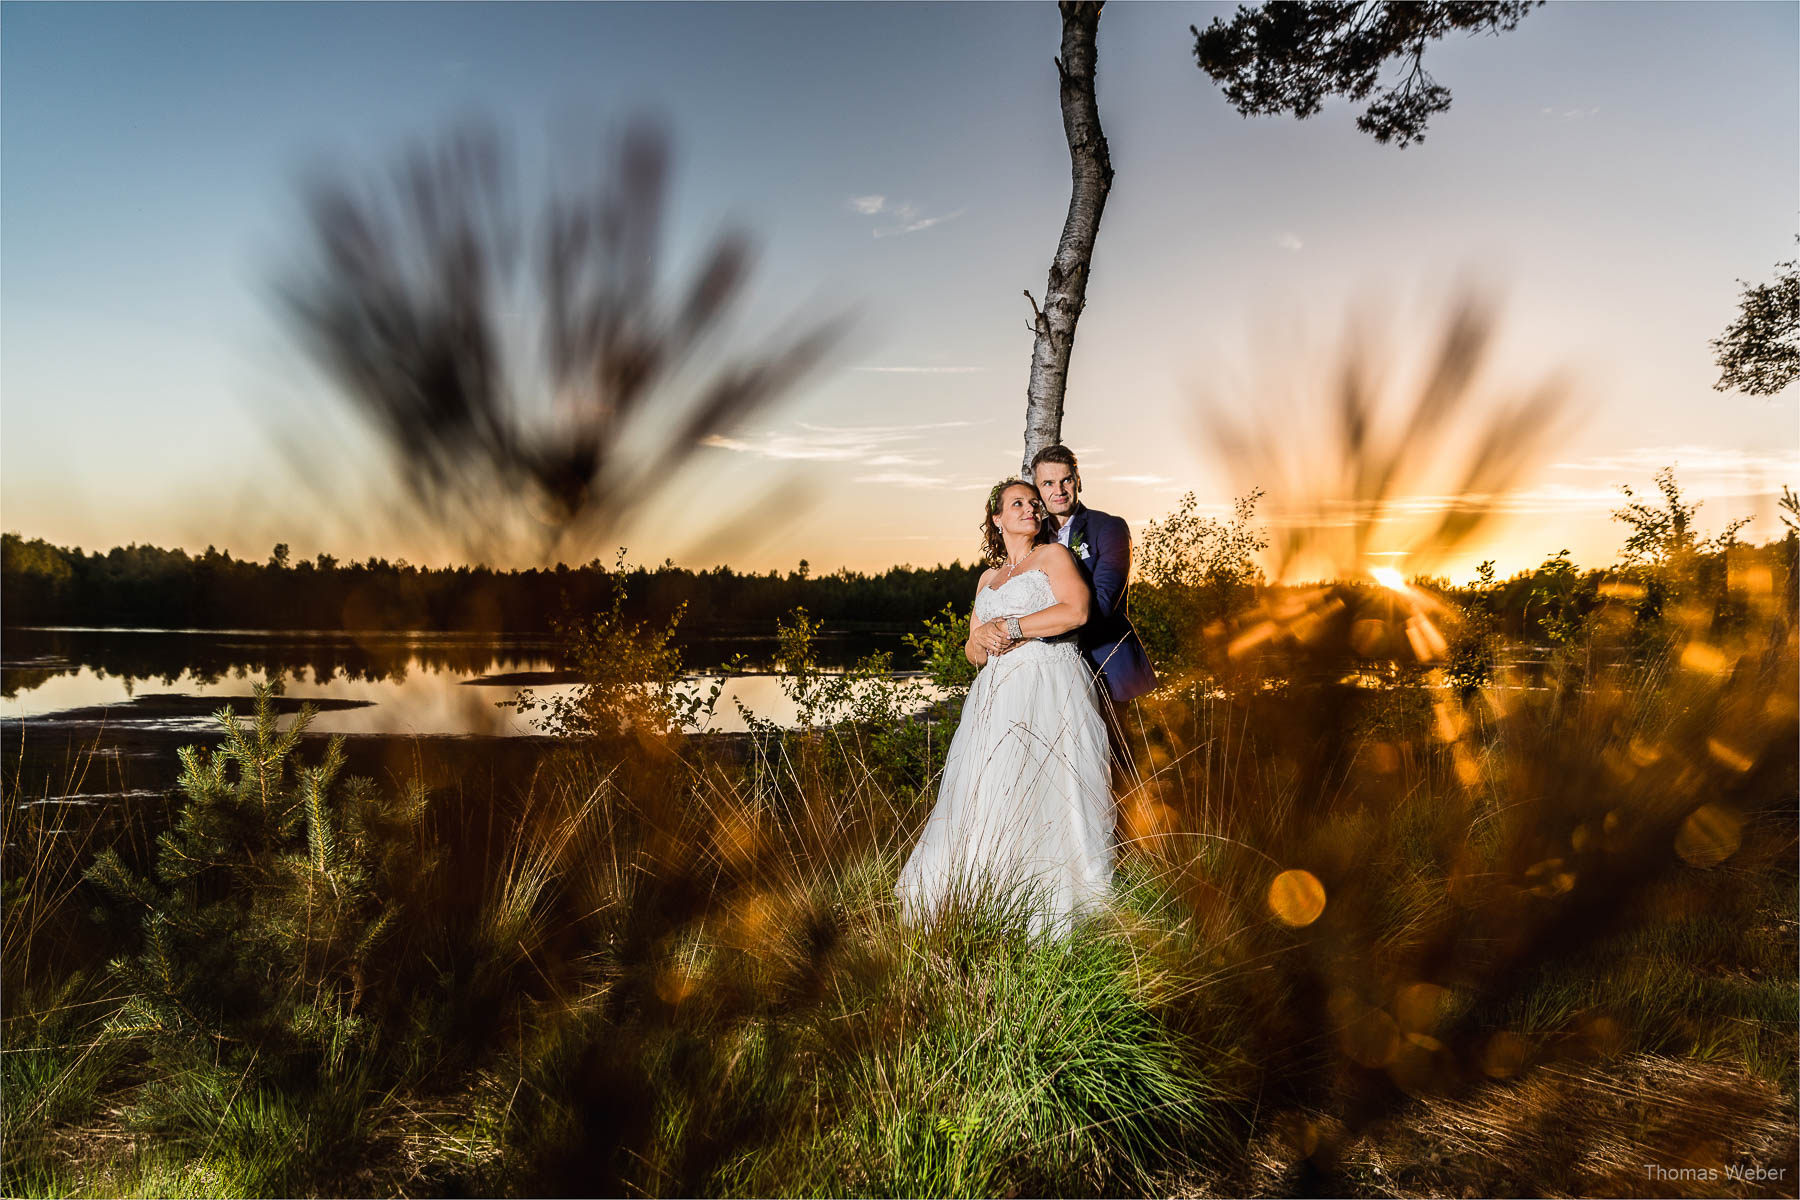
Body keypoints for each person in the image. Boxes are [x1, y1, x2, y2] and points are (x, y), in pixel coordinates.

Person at [895, 479, 1114, 934]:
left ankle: (1049, 902)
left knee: (1046, 785)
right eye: (1018, 503)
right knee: (989, 787)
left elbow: (1076, 612)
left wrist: (1012, 626)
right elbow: (974, 652)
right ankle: (983, 897)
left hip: (1048, 685)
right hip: (995, 696)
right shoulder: (987, 579)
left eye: (1034, 503)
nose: (1030, 508)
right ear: (997, 518)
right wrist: (981, 639)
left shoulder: (1054, 557)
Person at [1029, 444, 1158, 705]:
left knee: (1112, 746)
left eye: (1066, 480)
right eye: (1048, 483)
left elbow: (1103, 603)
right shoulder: (1033, 537)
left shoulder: (1109, 528)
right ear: (1038, 491)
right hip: (1048, 669)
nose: (1059, 491)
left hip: (1105, 662)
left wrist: (1035, 632)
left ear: (1079, 482)